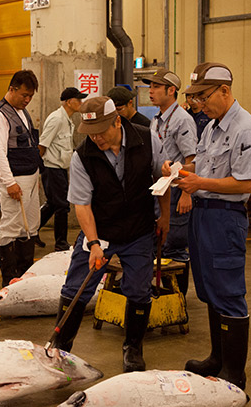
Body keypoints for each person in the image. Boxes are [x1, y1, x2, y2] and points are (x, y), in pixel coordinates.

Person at [54, 96, 170, 373]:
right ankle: (60, 349)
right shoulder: (82, 156)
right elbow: (81, 204)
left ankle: (133, 348)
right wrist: (93, 243)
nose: (96, 138)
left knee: (140, 291)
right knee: (75, 289)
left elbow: (162, 179)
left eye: (101, 131)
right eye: (90, 133)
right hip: (101, 230)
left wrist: (165, 217)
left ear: (117, 121)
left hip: (139, 230)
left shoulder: (147, 140)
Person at [167, 62, 251, 390]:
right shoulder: (211, 126)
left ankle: (235, 373)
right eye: (196, 98)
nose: (200, 104)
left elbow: (245, 183)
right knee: (209, 289)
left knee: (229, 291)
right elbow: (204, 163)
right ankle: (217, 358)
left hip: (225, 218)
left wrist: (199, 182)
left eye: (204, 97)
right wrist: (180, 169)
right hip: (203, 214)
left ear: (225, 91)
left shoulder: (245, 129)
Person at [142, 68, 197, 295]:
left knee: (175, 248)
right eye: (150, 86)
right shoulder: (156, 119)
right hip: (160, 190)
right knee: (160, 244)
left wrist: (186, 194)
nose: (151, 91)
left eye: (156, 87)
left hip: (176, 192)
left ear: (171, 90)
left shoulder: (183, 120)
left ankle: (178, 300)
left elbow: (192, 160)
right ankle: (164, 295)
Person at [0, 70, 42, 287]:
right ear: (12, 89)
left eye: (31, 96)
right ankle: (9, 279)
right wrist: (9, 182)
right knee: (10, 227)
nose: (27, 100)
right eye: (24, 95)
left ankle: (24, 275)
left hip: (30, 176)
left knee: (29, 226)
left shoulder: (22, 112)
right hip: (15, 179)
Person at [37, 86, 85, 251]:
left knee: (53, 204)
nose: (81, 102)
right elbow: (42, 144)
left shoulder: (67, 120)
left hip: (60, 168)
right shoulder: (57, 119)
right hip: (51, 168)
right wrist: (37, 168)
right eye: (78, 99)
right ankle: (61, 243)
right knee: (62, 206)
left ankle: (32, 231)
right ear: (69, 102)